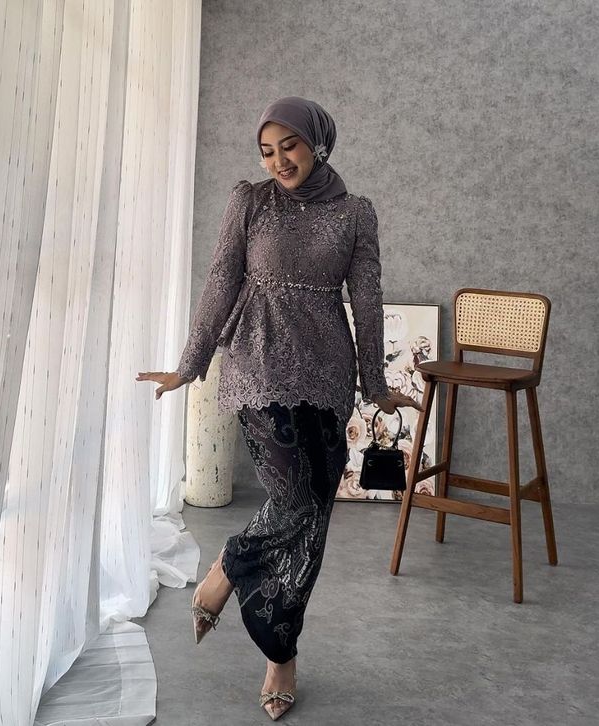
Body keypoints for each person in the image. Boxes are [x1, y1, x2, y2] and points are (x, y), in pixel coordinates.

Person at [136, 96, 420, 721]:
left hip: (327, 370)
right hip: (258, 358)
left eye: (288, 146)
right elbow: (221, 280)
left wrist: (374, 383)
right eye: (266, 151)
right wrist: (189, 363)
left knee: (313, 511)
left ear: (317, 142)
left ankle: (279, 653)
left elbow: (367, 301)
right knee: (295, 498)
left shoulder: (355, 214)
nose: (278, 161)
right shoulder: (250, 202)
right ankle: (230, 572)